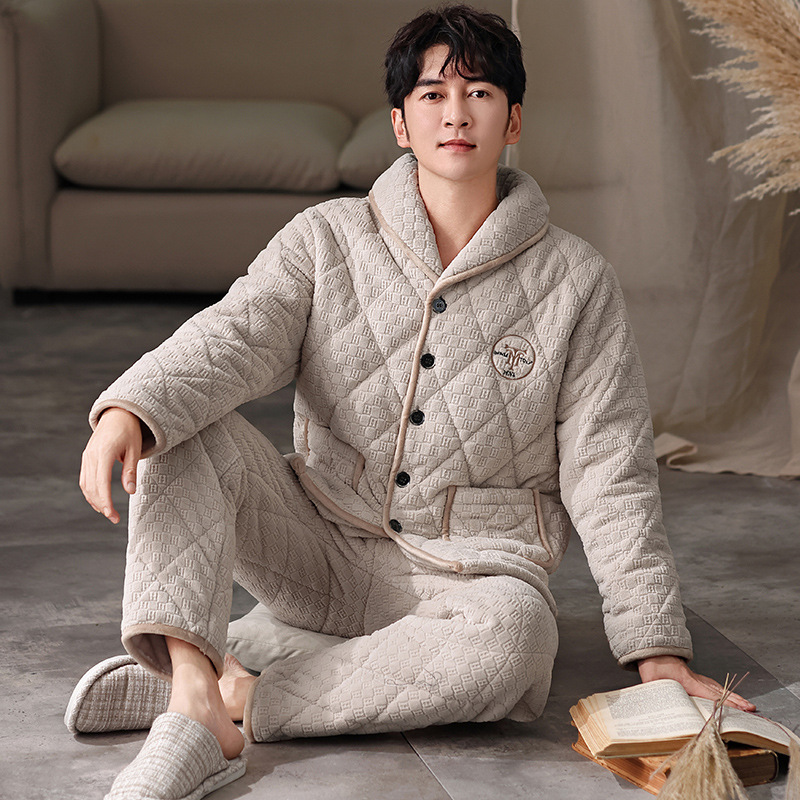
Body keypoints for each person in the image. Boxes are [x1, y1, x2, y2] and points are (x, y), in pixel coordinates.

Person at [73, 5, 754, 799]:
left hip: (470, 578)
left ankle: (239, 692)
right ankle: (194, 693)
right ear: (400, 123)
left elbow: (612, 471)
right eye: (432, 95)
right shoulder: (325, 238)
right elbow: (233, 337)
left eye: (480, 93)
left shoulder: (577, 281)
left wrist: (656, 648)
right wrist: (129, 408)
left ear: (514, 120)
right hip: (314, 549)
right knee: (176, 422)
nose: (456, 113)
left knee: (517, 642)